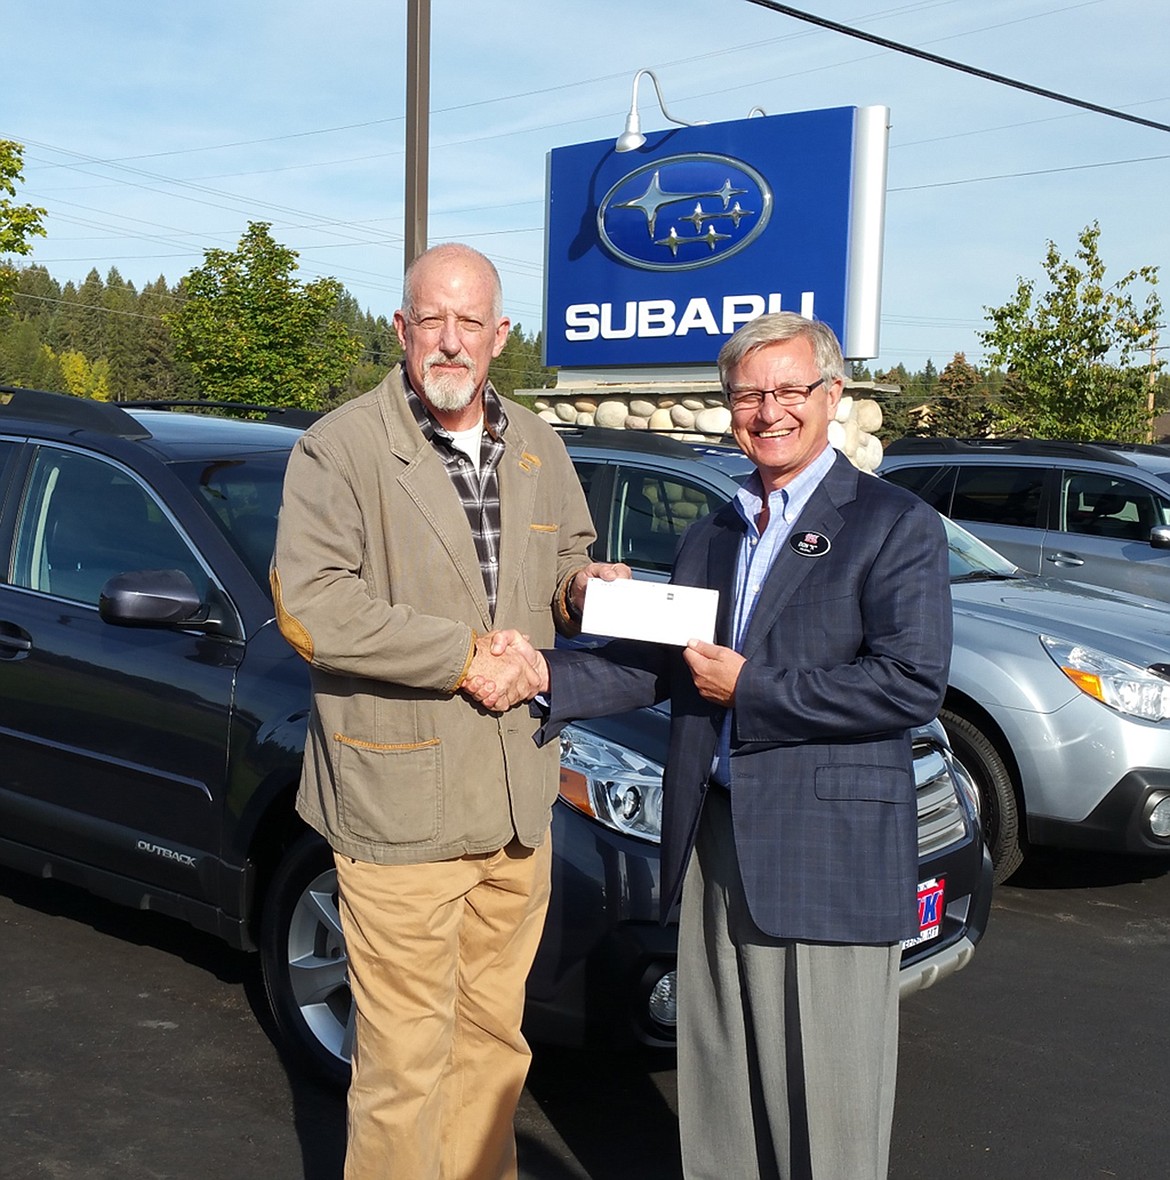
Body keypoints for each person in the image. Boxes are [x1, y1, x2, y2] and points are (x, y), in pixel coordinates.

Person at [481, 312, 952, 1179]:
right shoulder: (718, 532)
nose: (768, 411)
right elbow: (660, 670)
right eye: (748, 394)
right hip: (717, 839)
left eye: (788, 391)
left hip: (829, 853)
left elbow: (909, 685)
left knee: (830, 1110)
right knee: (721, 1088)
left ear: (832, 396)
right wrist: (538, 674)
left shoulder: (893, 526)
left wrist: (755, 688)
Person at [270, 241, 628, 1180]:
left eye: (471, 322)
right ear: (401, 328)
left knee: (495, 1050)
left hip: (515, 801)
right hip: (398, 811)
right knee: (403, 1069)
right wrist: (465, 656)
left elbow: (560, 571)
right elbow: (313, 605)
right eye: (432, 318)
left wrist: (588, 589)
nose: (450, 340)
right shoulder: (340, 446)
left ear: (501, 335)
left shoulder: (540, 444)